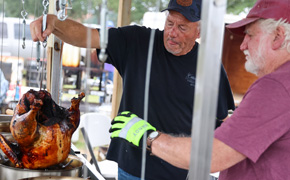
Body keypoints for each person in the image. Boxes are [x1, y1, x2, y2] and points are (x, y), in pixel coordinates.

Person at [30, 0, 235, 179]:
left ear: (199, 31)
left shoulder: (209, 66)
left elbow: (224, 124)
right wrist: (54, 23)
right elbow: (87, 36)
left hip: (181, 172)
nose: (172, 33)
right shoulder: (138, 41)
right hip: (132, 168)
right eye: (170, 23)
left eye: (182, 28)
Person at [110, 0, 290, 179]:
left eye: (250, 35)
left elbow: (212, 156)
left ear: (278, 36)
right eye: (170, 23)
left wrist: (146, 136)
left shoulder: (276, 87)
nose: (243, 45)